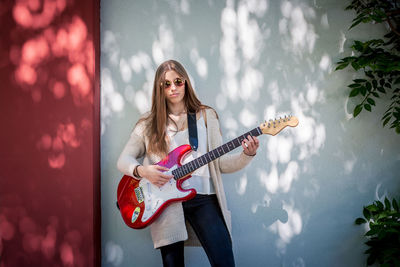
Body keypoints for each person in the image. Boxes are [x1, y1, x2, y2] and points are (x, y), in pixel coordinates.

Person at [117, 59, 259, 267]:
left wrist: (246, 155)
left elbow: (219, 164)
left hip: (204, 199)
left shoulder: (206, 116)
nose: (173, 87)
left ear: (186, 82)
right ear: (159, 88)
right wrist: (143, 171)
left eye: (178, 81)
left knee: (225, 261)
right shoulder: (148, 123)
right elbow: (124, 160)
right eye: (166, 84)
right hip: (164, 205)